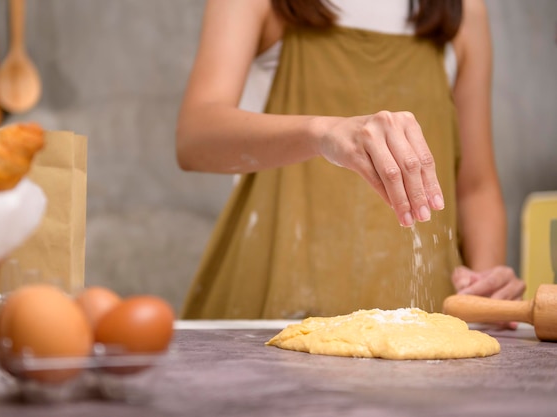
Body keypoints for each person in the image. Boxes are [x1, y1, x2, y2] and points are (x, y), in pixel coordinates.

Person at [176, 0, 525, 319]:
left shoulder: (464, 11)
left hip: (425, 313)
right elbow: (195, 139)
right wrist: (322, 133)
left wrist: (484, 287)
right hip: (275, 305)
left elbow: (475, 187)